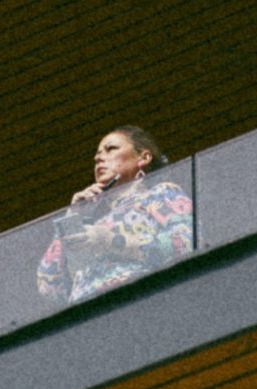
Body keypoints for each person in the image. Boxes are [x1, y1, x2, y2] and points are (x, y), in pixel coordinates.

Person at [37, 125, 193, 305]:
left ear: (143, 157)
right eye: (97, 154)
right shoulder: (94, 221)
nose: (98, 158)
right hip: (88, 313)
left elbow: (186, 243)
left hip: (139, 300)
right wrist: (72, 217)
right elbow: (49, 287)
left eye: (111, 149)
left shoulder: (160, 193)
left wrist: (110, 241)